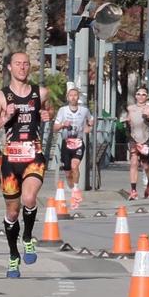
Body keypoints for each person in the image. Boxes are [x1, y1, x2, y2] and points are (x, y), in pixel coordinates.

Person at [0, 51, 48, 279]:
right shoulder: (1, 97)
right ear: (9, 68)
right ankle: (13, 255)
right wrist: (4, 118)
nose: (22, 67)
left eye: (26, 64)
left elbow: (45, 114)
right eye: (18, 64)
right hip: (11, 159)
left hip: (33, 155)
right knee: (12, 212)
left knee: (29, 198)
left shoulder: (41, 93)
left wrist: (46, 115)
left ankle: (28, 237)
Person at [52, 84, 92, 214]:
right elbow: (55, 127)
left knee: (75, 166)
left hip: (78, 142)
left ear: (78, 97)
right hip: (66, 143)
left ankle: (76, 190)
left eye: (75, 95)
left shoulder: (84, 110)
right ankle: (72, 188)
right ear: (67, 98)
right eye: (71, 95)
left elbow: (91, 120)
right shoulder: (63, 110)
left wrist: (88, 128)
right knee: (68, 172)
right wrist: (63, 125)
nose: (73, 97)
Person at [126, 86, 149, 200]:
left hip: (145, 139)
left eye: (143, 94)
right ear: (135, 96)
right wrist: (127, 120)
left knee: (145, 165)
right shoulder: (130, 108)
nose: (141, 96)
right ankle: (133, 190)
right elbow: (130, 119)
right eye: (138, 94)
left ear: (147, 97)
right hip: (133, 138)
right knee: (134, 162)